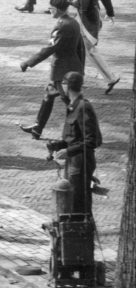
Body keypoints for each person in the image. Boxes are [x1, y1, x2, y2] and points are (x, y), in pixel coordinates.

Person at [19, 0, 86, 140]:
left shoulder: (62, 25)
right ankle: (37, 128)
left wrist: (28, 62)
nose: (49, 10)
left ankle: (80, 133)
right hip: (71, 68)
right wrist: (81, 67)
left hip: (62, 72)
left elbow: (50, 48)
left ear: (57, 10)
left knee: (71, 103)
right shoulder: (73, 22)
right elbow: (81, 48)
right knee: (49, 95)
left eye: (51, 8)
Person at [46, 72, 102, 215]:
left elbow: (92, 140)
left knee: (79, 202)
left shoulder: (83, 106)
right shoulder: (72, 106)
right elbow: (74, 137)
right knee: (71, 200)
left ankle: (82, 234)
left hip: (81, 163)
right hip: (74, 162)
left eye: (62, 84)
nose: (60, 88)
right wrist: (58, 145)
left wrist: (68, 151)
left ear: (67, 86)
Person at [65, 0, 119, 93]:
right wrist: (110, 12)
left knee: (89, 50)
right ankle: (77, 77)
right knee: (79, 47)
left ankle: (110, 78)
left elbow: (83, 6)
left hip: (86, 21)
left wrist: (72, 0)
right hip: (95, 17)